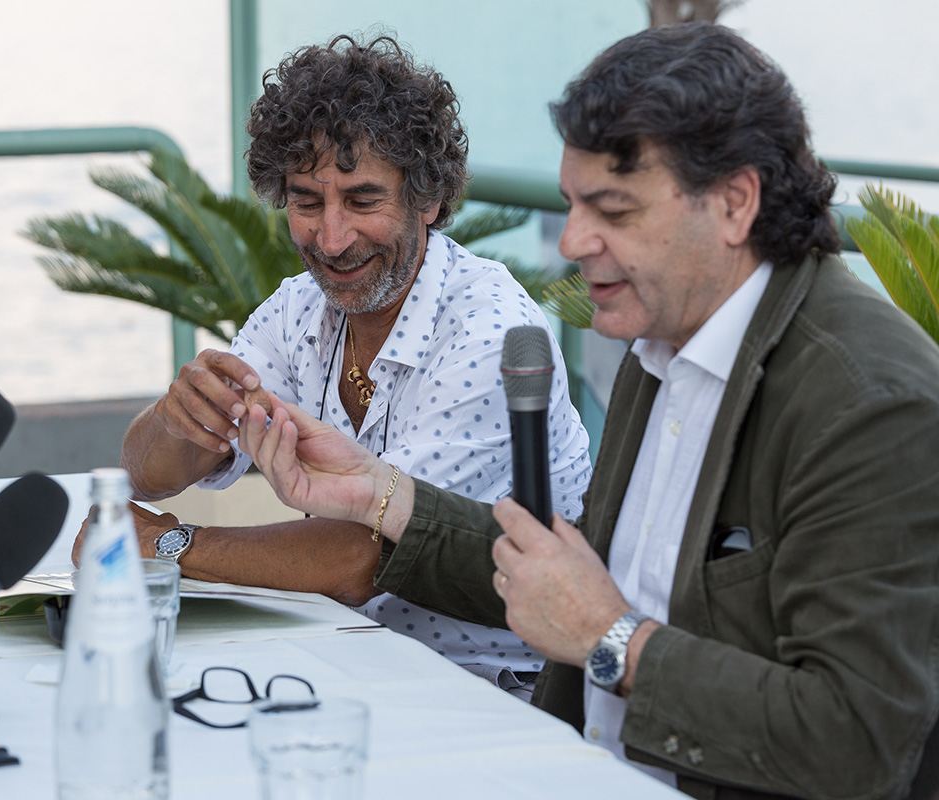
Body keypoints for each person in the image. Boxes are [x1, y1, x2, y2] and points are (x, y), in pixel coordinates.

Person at [237, 23, 939, 800]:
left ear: (735, 204)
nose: (572, 241)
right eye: (573, 204)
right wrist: (378, 493)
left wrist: (613, 642)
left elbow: (858, 743)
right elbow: (563, 584)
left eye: (613, 210)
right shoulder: (661, 337)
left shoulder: (868, 400)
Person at [75, 34, 593, 694]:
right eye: (306, 202)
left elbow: (360, 561)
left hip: (493, 690)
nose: (331, 237)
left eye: (363, 201)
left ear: (428, 200)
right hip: (347, 662)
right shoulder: (299, 306)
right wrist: (180, 417)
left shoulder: (488, 330)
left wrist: (167, 547)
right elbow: (145, 477)